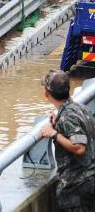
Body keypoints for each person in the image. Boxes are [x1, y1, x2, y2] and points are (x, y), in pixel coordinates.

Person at [40, 70, 95, 211]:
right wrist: (57, 124)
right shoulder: (80, 108)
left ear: (46, 94)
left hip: (77, 186)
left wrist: (53, 133)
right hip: (88, 180)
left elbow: (79, 148)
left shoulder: (68, 116)